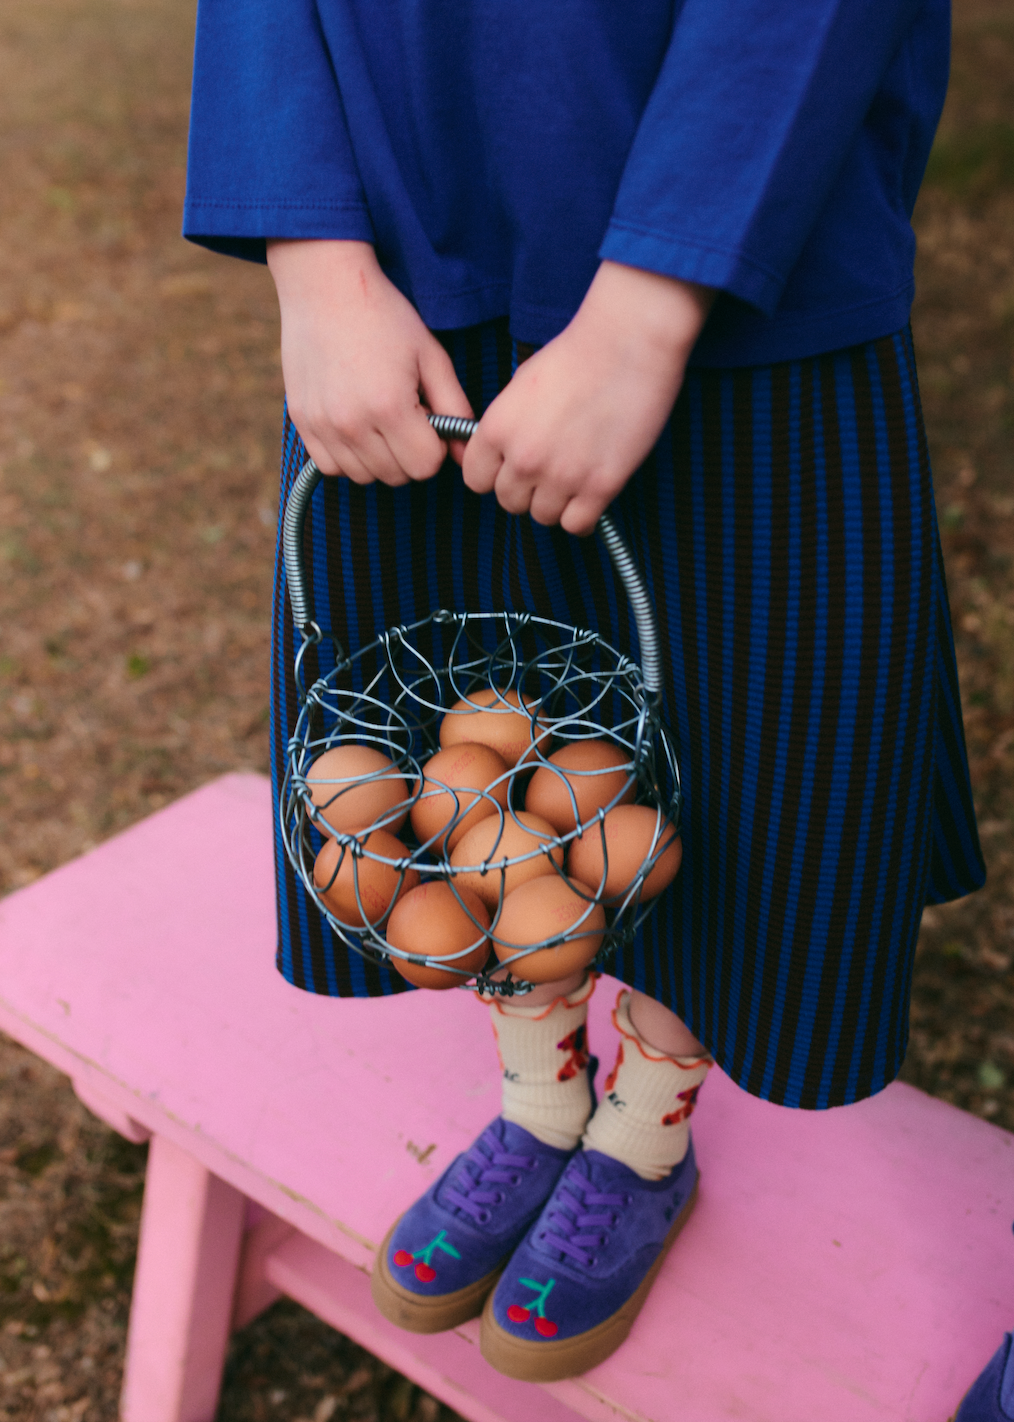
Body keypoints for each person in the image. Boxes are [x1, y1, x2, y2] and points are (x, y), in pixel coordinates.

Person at [183, 0, 986, 1382]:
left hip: (737, 256)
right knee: (458, 739)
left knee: (733, 743)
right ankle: (539, 1092)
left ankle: (646, 1125)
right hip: (405, 242)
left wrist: (646, 304)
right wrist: (314, 265)